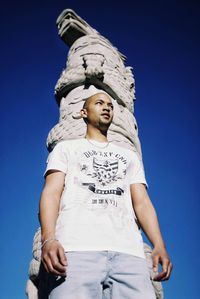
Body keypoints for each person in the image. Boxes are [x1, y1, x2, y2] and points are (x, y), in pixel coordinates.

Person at [39, 86, 172, 299]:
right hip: (75, 250)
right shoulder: (65, 149)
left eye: (110, 105)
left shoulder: (129, 156)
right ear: (83, 112)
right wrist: (48, 239)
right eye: (99, 103)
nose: (107, 108)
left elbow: (142, 203)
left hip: (130, 255)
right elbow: (51, 193)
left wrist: (159, 245)